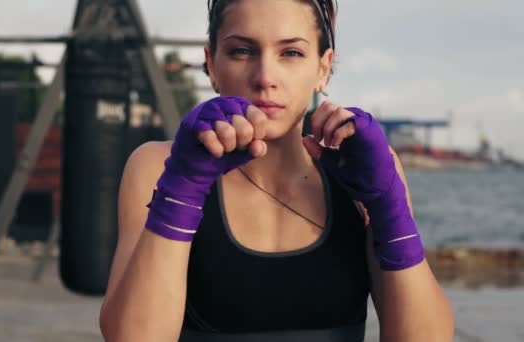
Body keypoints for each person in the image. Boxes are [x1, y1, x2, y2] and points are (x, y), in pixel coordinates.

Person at [99, 0, 454, 340]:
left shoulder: (364, 172)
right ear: (211, 63)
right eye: (242, 50)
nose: (265, 77)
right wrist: (181, 188)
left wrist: (387, 208)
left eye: (291, 53)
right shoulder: (157, 167)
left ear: (322, 68)